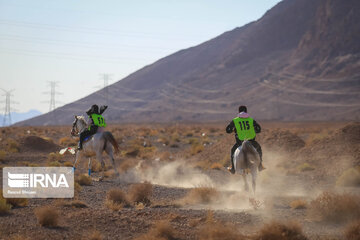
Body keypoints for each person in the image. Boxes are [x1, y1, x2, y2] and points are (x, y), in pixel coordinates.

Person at [226, 105, 265, 174]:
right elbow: (258, 129)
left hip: (240, 142)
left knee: (232, 151)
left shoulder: (235, 120)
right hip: (251, 141)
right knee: (259, 149)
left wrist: (234, 130)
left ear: (239, 111)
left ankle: (233, 169)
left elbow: (228, 130)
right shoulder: (251, 120)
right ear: (246, 111)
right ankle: (260, 165)